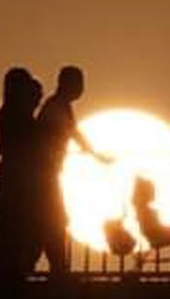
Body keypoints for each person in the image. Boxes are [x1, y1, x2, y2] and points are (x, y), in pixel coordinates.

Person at [29, 66, 110, 277]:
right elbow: (67, 133)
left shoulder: (59, 106)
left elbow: (72, 132)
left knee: (51, 219)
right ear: (67, 84)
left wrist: (94, 154)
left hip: (48, 172)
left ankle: (52, 265)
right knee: (53, 219)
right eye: (79, 84)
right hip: (44, 173)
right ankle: (56, 267)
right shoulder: (56, 106)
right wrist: (95, 155)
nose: (82, 89)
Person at [0, 68, 43, 280]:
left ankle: (6, 266)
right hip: (19, 176)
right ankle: (9, 267)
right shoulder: (13, 114)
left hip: (15, 174)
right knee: (14, 221)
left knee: (9, 221)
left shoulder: (9, 112)